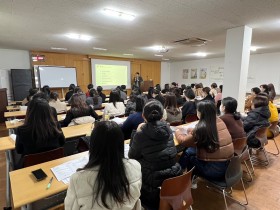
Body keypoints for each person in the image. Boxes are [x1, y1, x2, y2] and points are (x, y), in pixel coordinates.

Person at [65, 121, 142, 210]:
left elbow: (70, 208)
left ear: (93, 145)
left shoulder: (77, 179)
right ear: (120, 145)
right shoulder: (135, 166)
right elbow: (136, 200)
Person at [129, 100, 182, 209]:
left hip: (153, 182)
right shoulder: (167, 128)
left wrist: (135, 133)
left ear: (143, 116)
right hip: (174, 177)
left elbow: (132, 155)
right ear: (162, 115)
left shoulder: (141, 134)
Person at [175, 100, 233, 181]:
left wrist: (177, 131)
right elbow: (209, 132)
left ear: (200, 113)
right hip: (227, 166)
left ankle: (179, 176)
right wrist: (193, 130)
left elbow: (183, 141)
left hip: (213, 170)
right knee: (190, 151)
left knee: (189, 154)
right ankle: (182, 175)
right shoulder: (219, 121)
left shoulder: (202, 128)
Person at [15, 98, 65, 167]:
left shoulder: (22, 130)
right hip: (55, 164)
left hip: (31, 167)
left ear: (29, 112)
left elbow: (19, 150)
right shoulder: (55, 126)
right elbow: (62, 142)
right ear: (49, 111)